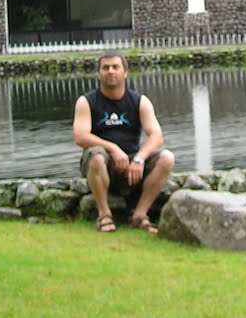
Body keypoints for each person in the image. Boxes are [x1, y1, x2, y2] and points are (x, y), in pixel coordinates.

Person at [73, 50, 175, 233]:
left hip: (132, 165)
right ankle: (104, 215)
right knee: (96, 155)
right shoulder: (86, 102)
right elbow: (80, 136)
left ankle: (140, 215)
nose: (111, 71)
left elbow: (156, 136)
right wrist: (113, 148)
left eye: (115, 67)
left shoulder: (140, 101)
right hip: (102, 163)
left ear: (125, 72)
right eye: (105, 68)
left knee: (167, 158)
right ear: (98, 73)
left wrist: (139, 159)